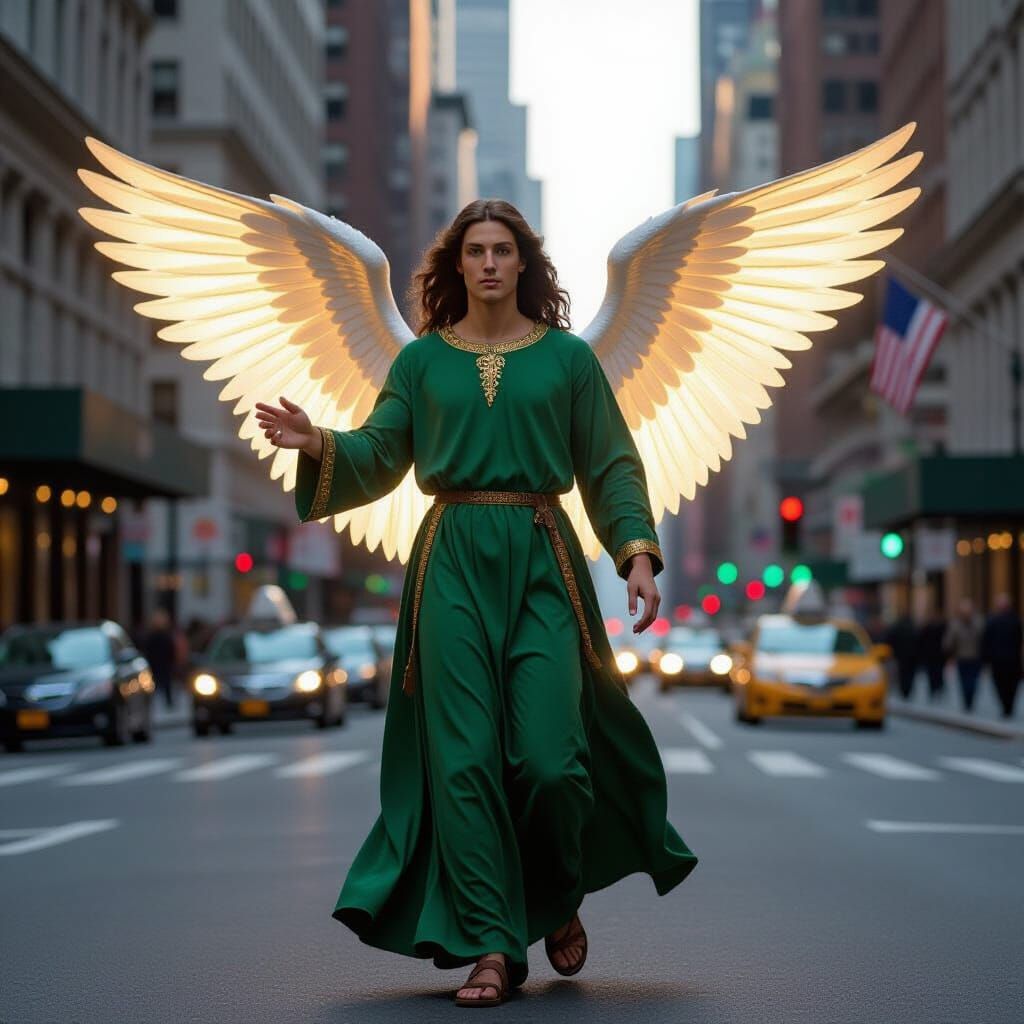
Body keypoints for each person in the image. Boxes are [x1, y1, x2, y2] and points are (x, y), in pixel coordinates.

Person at [255, 200, 698, 1006]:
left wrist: (635, 553)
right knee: (462, 764)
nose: (488, 263)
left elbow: (611, 464)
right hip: (451, 558)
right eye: (474, 251)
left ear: (523, 262)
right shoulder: (423, 363)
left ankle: (557, 896)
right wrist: (322, 442)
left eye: (502, 250)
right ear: (456, 266)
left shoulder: (568, 359)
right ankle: (491, 948)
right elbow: (382, 451)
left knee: (551, 765)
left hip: (541, 559)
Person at [980, 592, 1023, 719]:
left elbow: (1019, 639)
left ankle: (1009, 706)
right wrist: (986, 658)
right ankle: (1005, 705)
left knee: (1012, 684)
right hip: (997, 659)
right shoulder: (992, 621)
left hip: (1012, 659)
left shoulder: (1015, 620)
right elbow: (986, 641)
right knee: (999, 683)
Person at [943, 597, 985, 712]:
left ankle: (969, 701)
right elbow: (948, 642)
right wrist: (950, 655)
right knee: (964, 681)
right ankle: (967, 702)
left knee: (973, 681)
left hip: (976, 657)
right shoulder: (955, 624)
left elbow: (984, 639)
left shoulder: (978, 622)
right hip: (962, 658)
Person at [140, 607, 176, 710]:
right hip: (160, 665)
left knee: (161, 684)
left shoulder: (155, 637)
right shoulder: (161, 637)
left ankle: (158, 703)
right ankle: (166, 703)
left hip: (158, 665)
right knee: (161, 684)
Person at [883, 610, 918, 699]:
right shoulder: (913, 628)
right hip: (912, 655)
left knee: (903, 673)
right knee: (909, 674)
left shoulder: (897, 627)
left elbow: (889, 640)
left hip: (900, 655)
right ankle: (907, 690)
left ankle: (904, 691)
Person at [916, 606, 948, 701]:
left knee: (937, 673)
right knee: (933, 673)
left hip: (938, 655)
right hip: (932, 655)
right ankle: (935, 689)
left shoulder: (941, 627)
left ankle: (937, 688)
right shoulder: (928, 627)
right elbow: (921, 642)